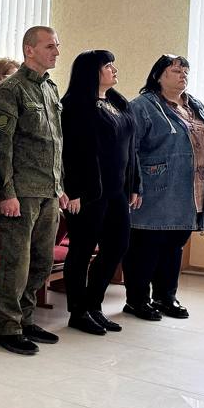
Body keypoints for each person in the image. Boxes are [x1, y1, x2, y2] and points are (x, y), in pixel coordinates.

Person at [0, 26, 68, 356]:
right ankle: (7, 327)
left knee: (41, 261)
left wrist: (60, 186)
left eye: (57, 46)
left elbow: (57, 142)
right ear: (29, 50)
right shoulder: (10, 90)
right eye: (50, 46)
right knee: (16, 263)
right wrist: (6, 193)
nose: (56, 52)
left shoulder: (49, 88)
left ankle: (26, 318)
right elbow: (1, 147)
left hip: (48, 189)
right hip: (21, 191)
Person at [123, 55, 204, 321]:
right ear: (158, 75)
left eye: (185, 71)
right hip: (153, 189)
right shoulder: (142, 106)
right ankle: (137, 300)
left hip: (190, 189)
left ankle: (166, 297)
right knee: (146, 246)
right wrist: (134, 184)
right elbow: (130, 149)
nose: (182, 75)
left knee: (174, 245)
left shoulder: (196, 106)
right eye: (176, 70)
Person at [61, 51, 141, 335]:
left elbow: (130, 148)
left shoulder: (117, 102)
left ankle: (93, 304)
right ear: (91, 72)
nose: (114, 70)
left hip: (117, 190)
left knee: (118, 245)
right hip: (88, 192)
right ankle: (78, 312)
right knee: (81, 250)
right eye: (108, 66)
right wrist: (73, 191)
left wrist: (135, 184)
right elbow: (70, 153)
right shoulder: (74, 106)